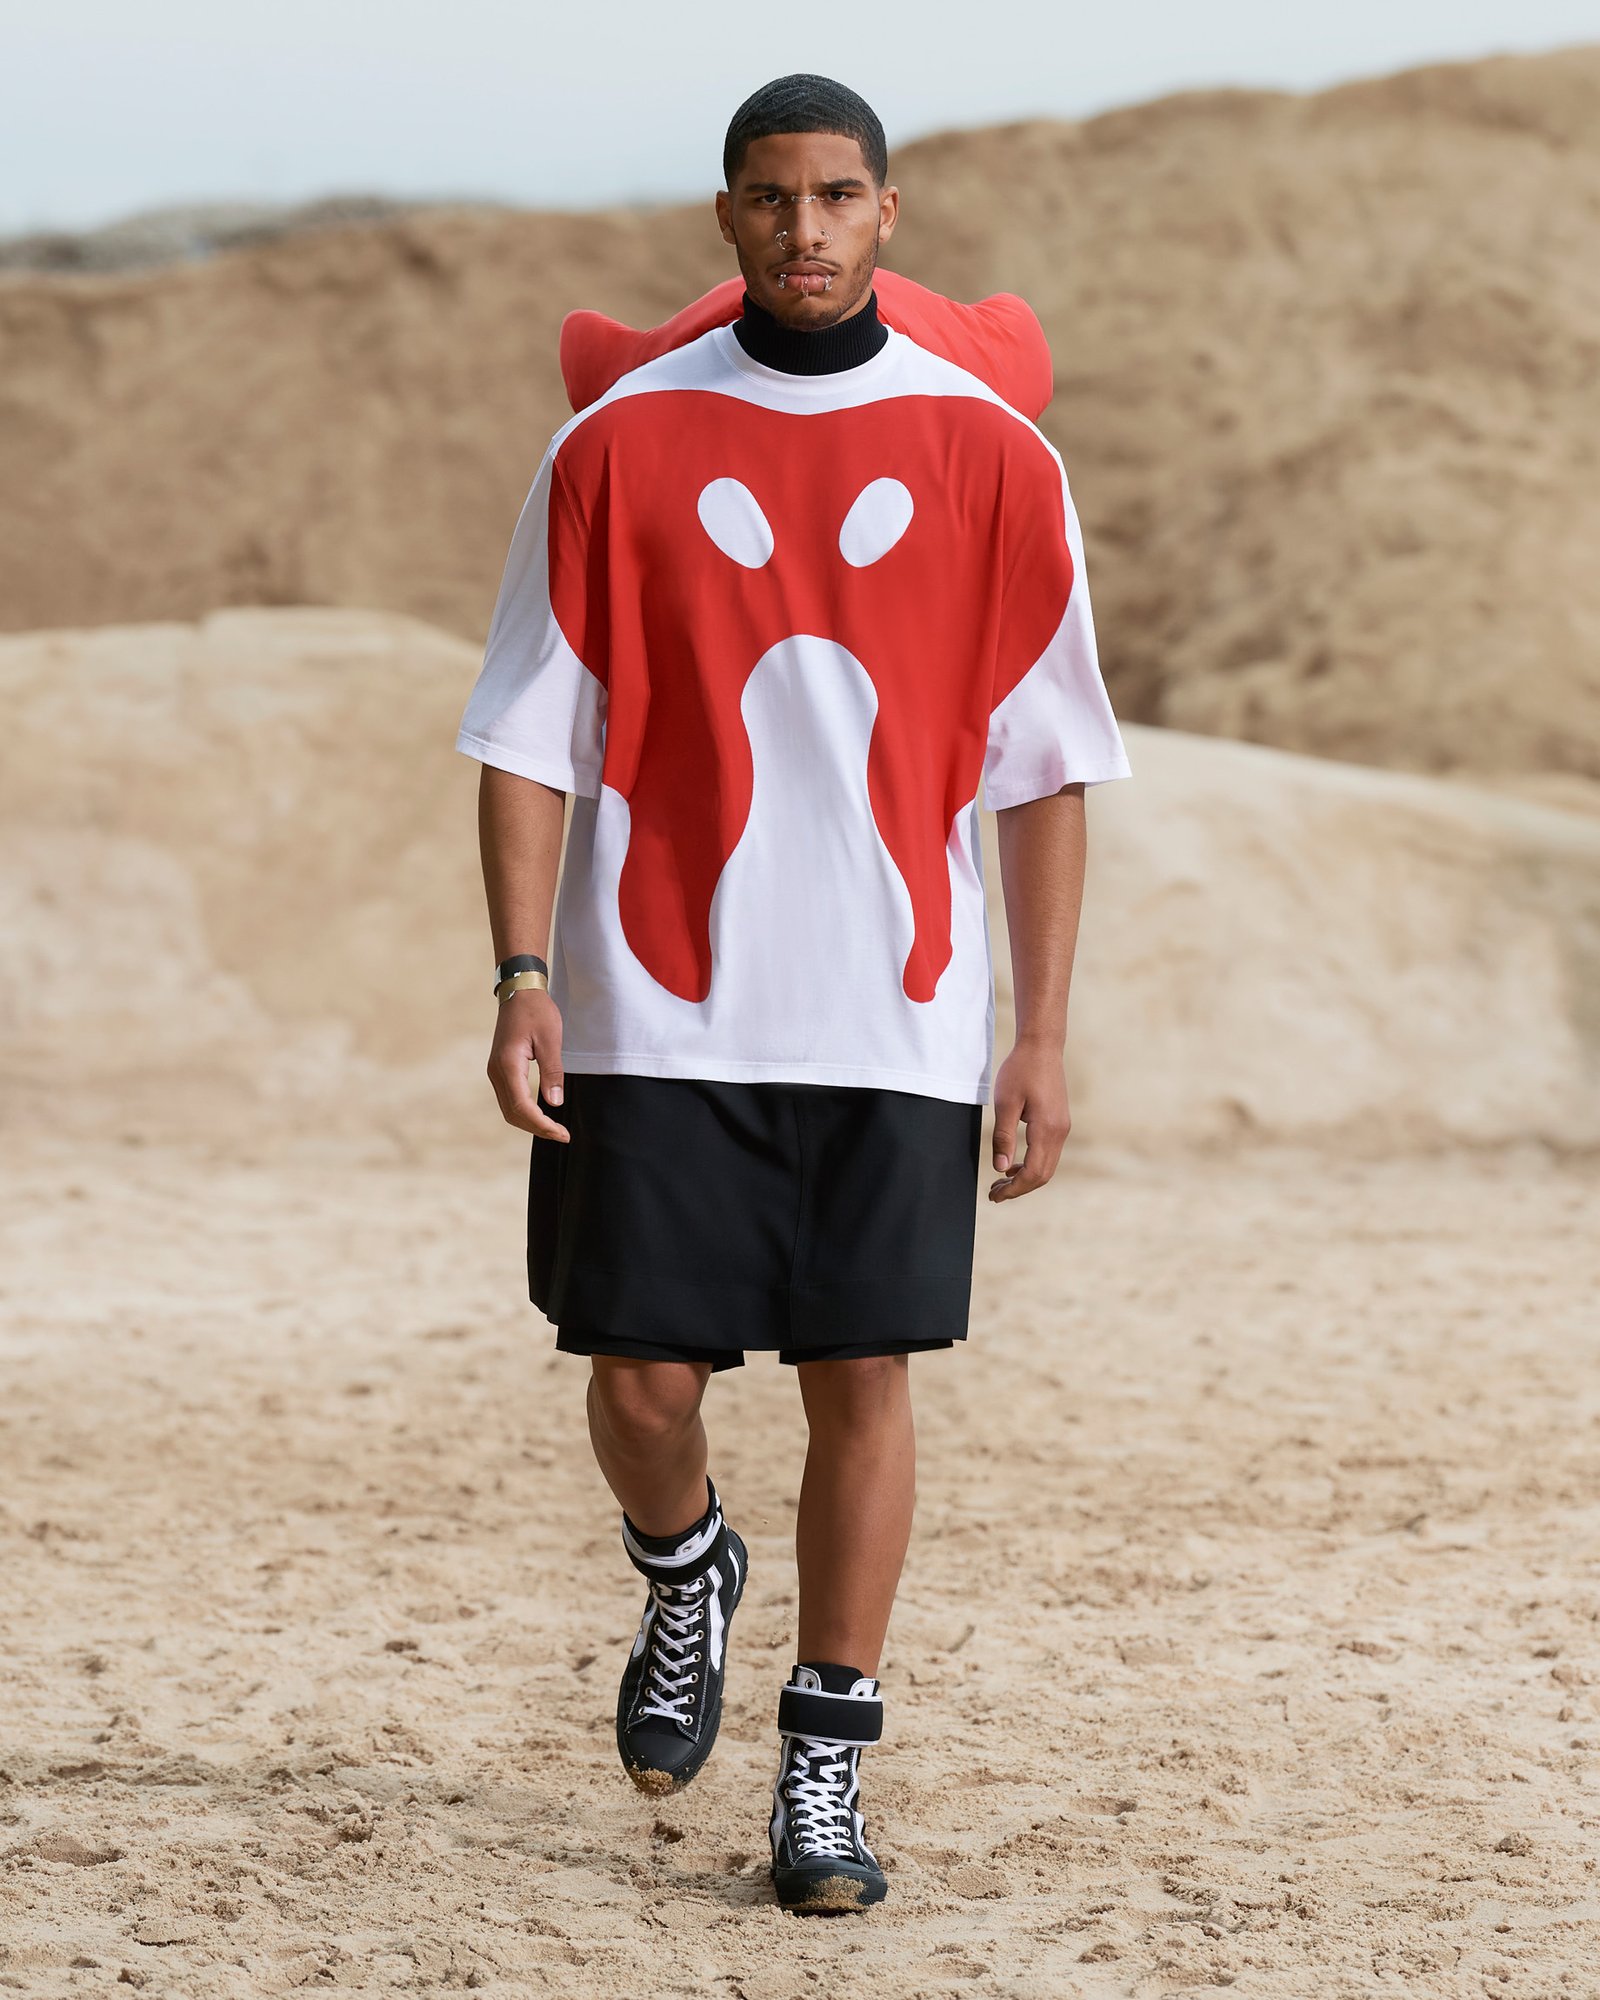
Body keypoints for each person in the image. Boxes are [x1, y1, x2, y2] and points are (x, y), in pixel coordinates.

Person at [455, 72, 1130, 1914]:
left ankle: (821, 1774)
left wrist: (1039, 1031)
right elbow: (526, 734)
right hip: (651, 997)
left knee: (862, 1377)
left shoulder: (995, 454)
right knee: (640, 1381)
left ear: (887, 215)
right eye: (772, 198)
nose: (805, 229)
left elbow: (1047, 768)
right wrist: (523, 973)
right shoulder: (616, 446)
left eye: (838, 197)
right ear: (727, 215)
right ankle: (686, 1570)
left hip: (895, 1009)